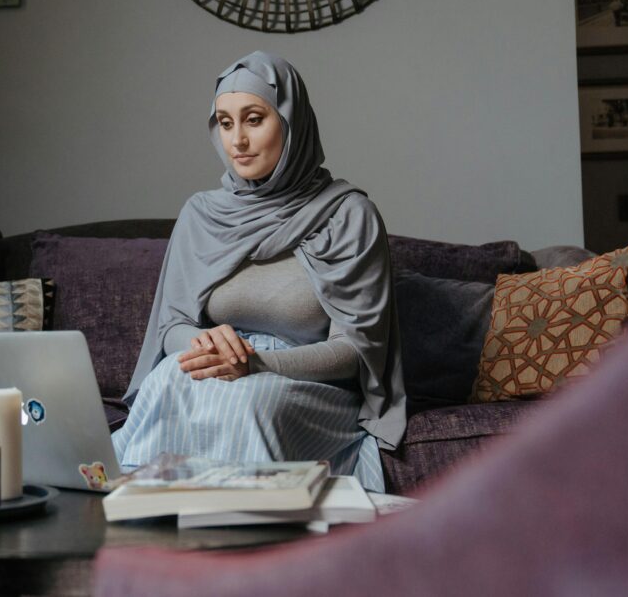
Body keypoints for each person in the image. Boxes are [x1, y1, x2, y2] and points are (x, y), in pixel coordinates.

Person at [110, 52, 406, 492]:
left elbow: (356, 350)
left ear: (290, 122)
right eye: (225, 124)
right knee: (167, 380)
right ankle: (148, 539)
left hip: (306, 384)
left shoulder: (349, 215)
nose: (238, 141)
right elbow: (172, 324)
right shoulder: (202, 214)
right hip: (218, 370)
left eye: (253, 119)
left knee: (254, 402)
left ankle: (250, 542)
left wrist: (256, 363)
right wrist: (205, 343)